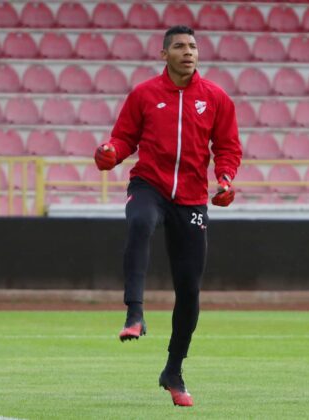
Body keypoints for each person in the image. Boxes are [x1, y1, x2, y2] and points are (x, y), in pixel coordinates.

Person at [94, 25, 242, 407]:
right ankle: (135, 313)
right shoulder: (144, 94)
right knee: (140, 221)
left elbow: (227, 147)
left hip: (191, 198)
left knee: (189, 289)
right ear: (164, 54)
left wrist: (226, 179)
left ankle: (173, 371)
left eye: (192, 46)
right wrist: (110, 151)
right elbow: (123, 138)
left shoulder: (216, 98)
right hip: (150, 185)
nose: (188, 51)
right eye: (179, 46)